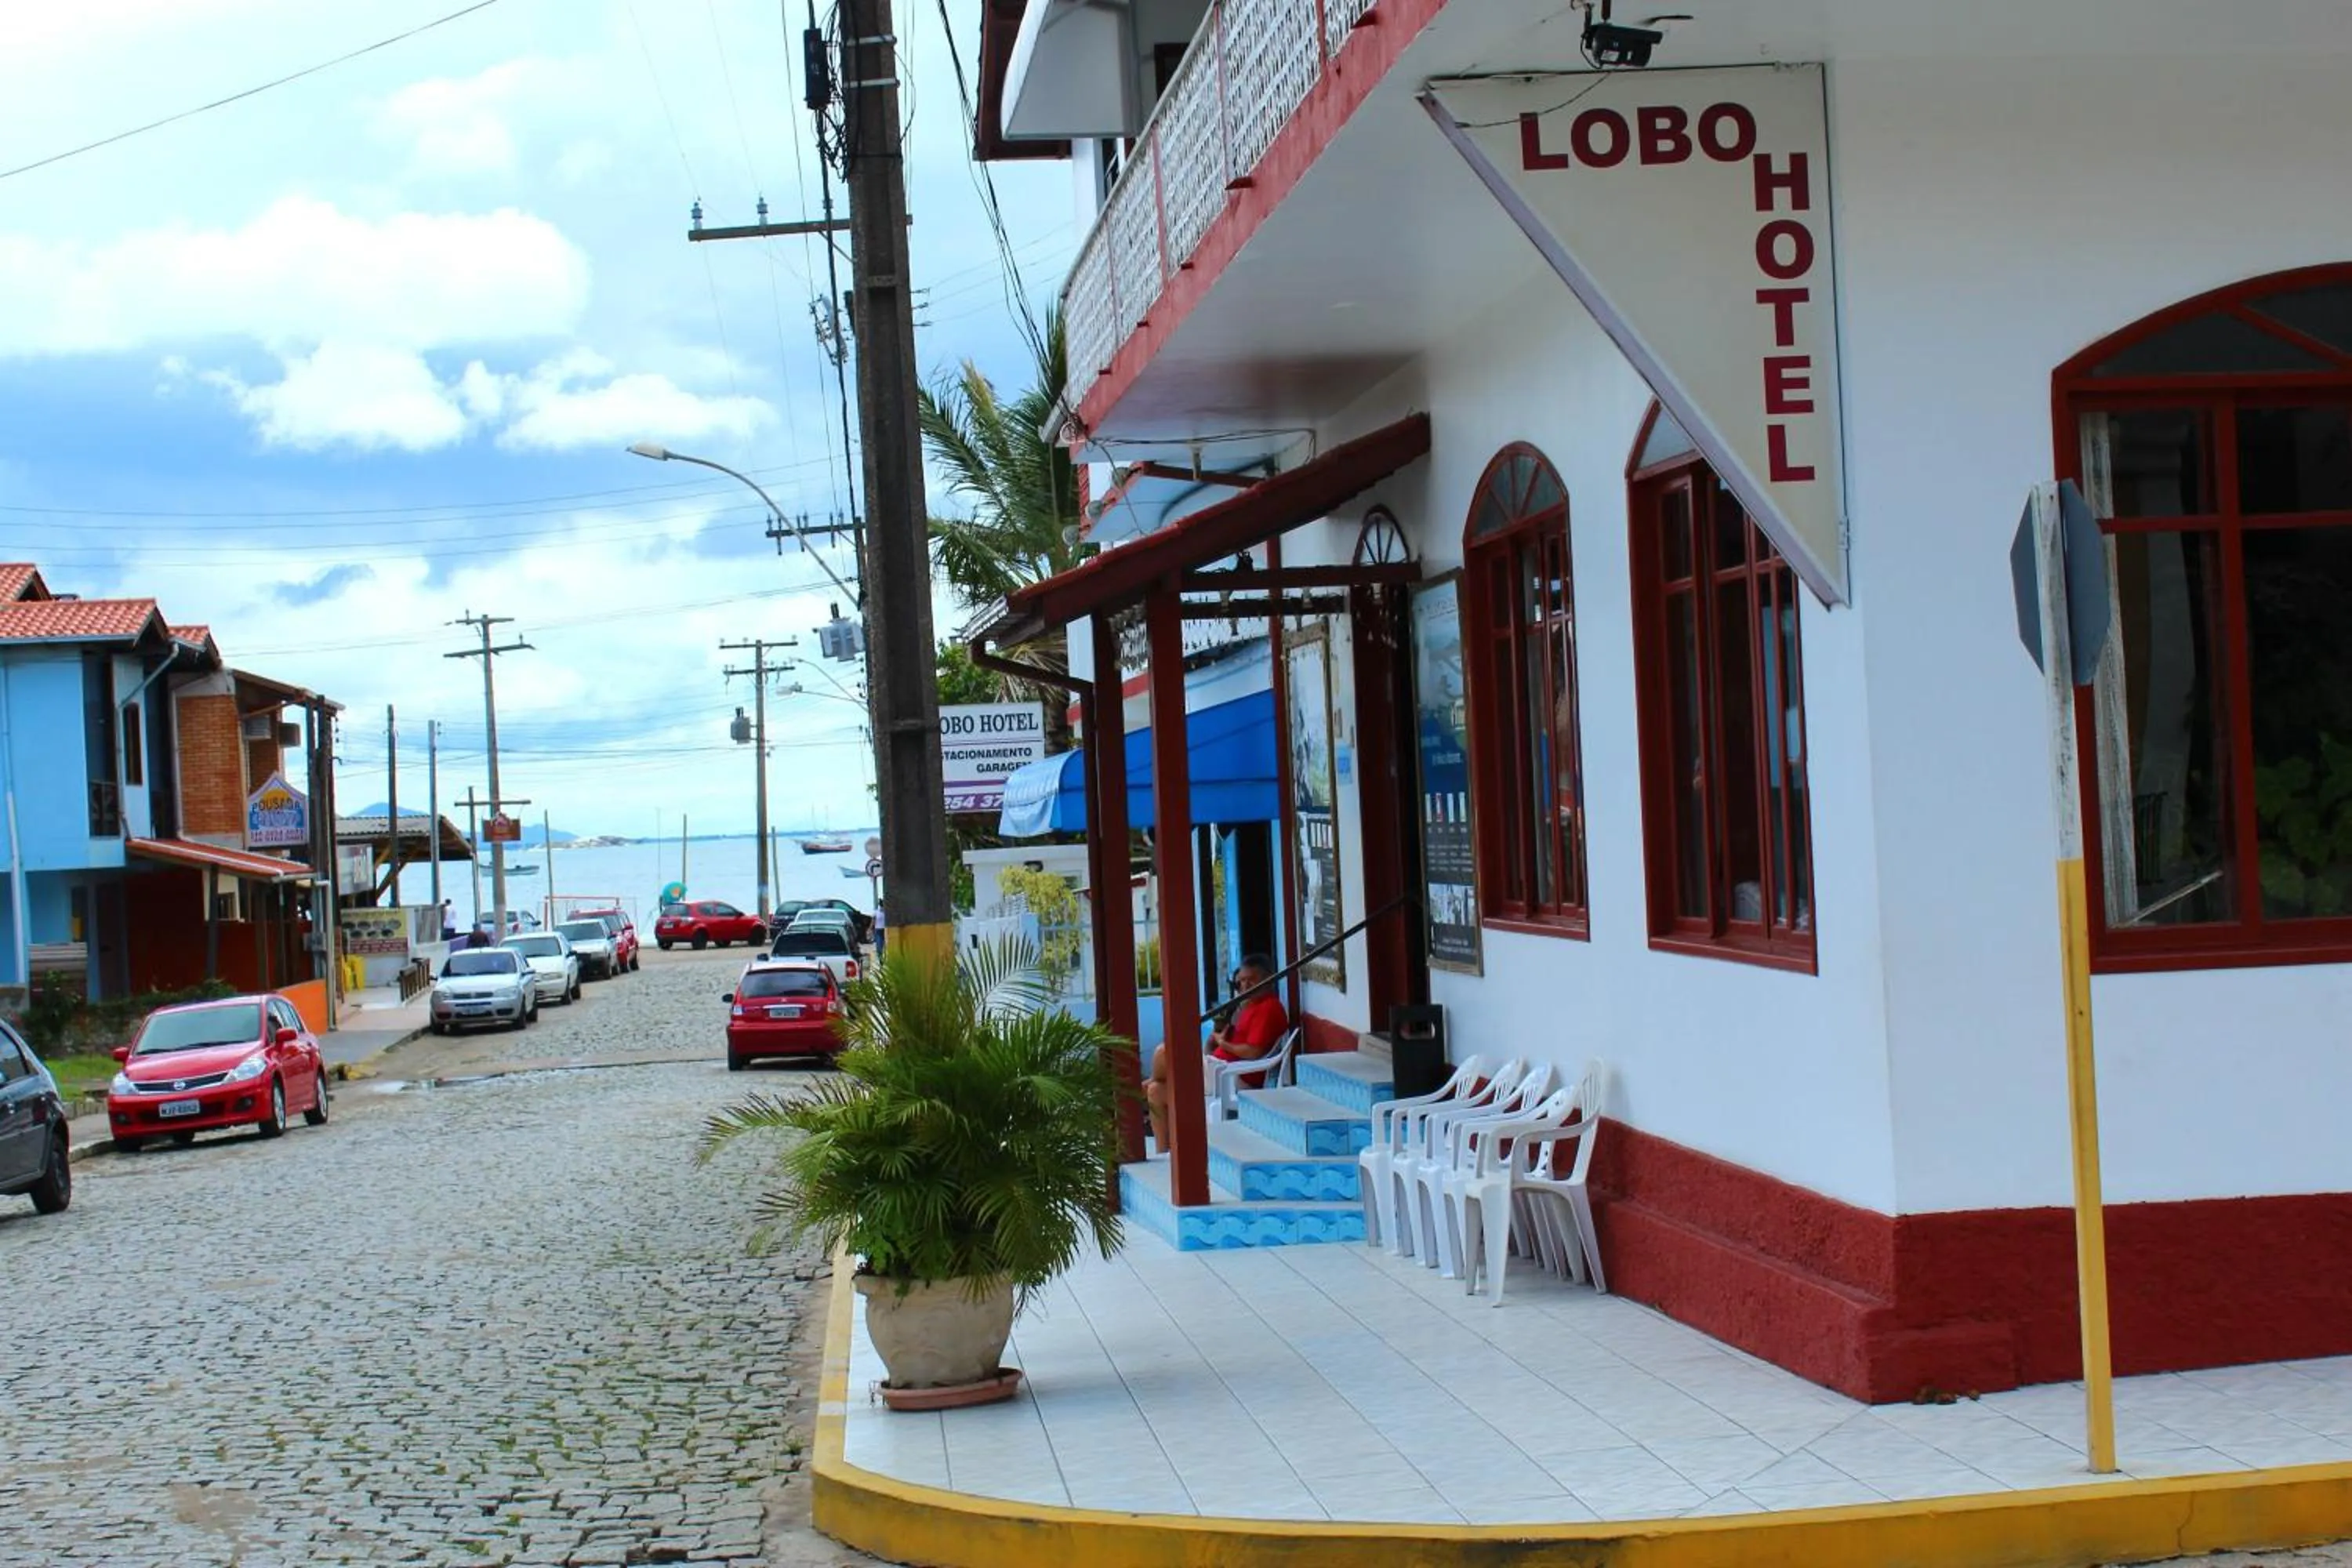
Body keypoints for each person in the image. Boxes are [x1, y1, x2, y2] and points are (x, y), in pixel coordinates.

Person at [1146, 953, 1287, 1152]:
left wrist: (1224, 1044)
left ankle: (1147, 1080)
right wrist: (1215, 1043)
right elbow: (1229, 1045)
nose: (1245, 987)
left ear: (1267, 980)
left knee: (1164, 1052)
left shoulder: (1269, 1008)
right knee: (1155, 1091)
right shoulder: (1249, 1006)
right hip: (1218, 1070)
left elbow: (1253, 1052)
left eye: (1251, 981)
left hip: (1233, 1078)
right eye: (1241, 982)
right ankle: (1163, 1153)